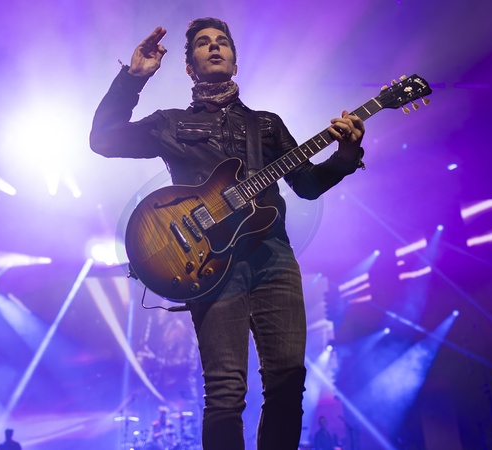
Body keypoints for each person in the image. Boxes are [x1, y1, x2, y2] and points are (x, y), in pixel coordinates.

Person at [90, 18, 366, 450]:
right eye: (203, 43)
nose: (214, 47)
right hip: (207, 263)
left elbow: (307, 185)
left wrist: (346, 153)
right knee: (224, 391)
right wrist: (133, 79)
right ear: (189, 66)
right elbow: (103, 140)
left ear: (235, 61)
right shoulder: (171, 123)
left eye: (222, 42)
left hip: (272, 257)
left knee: (288, 382)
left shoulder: (267, 125)